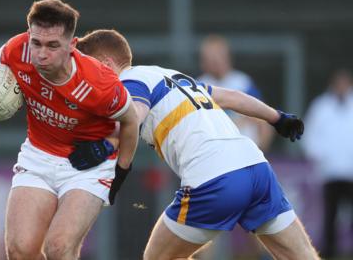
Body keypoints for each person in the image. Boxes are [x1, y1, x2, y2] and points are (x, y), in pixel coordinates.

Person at [74, 29, 319, 260]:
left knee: (157, 257)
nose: (86, 79)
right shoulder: (172, 76)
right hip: (256, 168)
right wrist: (277, 118)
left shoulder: (129, 82)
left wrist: (107, 143)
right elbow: (232, 97)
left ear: (106, 64)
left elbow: (133, 116)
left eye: (86, 69)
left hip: (214, 177)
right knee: (301, 255)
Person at [0, 0, 139, 260]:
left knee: (59, 247)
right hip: (39, 156)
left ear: (72, 45)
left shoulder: (99, 83)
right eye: (37, 43)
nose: (41, 54)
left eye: (53, 46)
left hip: (87, 168)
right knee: (20, 250)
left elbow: (131, 121)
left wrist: (121, 170)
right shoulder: (21, 49)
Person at [302, 69, 353, 258]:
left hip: (351, 171)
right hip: (330, 173)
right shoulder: (321, 106)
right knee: (330, 217)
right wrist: (321, 157)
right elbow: (309, 135)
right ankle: (330, 254)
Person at [198, 35, 274, 152]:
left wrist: (261, 151)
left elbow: (263, 120)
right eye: (211, 58)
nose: (216, 61)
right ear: (203, 61)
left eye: (219, 56)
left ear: (228, 57)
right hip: (213, 153)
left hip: (246, 150)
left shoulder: (243, 82)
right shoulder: (198, 86)